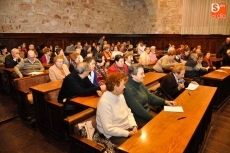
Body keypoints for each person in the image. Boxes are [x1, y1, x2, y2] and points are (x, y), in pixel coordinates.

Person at [96, 72, 138, 146]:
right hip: (112, 135)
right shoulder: (104, 102)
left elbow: (128, 112)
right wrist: (127, 133)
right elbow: (108, 129)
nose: (125, 87)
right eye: (123, 85)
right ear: (115, 86)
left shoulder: (120, 95)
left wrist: (134, 126)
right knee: (134, 146)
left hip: (126, 129)